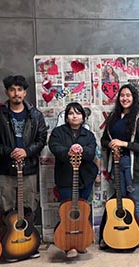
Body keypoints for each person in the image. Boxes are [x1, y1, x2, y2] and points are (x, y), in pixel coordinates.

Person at [0, 75, 47, 261]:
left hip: (28, 168)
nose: (16, 93)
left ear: (25, 92)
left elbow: (41, 139)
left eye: (20, 90)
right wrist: (10, 151)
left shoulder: (35, 114)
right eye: (12, 90)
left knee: (29, 205)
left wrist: (27, 151)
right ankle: (9, 245)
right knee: (6, 205)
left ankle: (29, 243)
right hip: (6, 168)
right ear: (7, 92)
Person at [48, 102, 98, 258]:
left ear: (83, 117)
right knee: (68, 210)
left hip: (86, 177)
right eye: (71, 113)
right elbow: (54, 147)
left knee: (83, 210)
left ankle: (82, 241)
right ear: (66, 117)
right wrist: (68, 150)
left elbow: (91, 152)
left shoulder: (88, 135)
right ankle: (69, 246)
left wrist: (81, 150)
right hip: (65, 177)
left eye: (78, 113)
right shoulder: (58, 132)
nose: (74, 116)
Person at [101, 83, 139, 223]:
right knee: (119, 201)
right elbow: (104, 140)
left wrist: (124, 144)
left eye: (128, 95)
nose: (125, 98)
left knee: (134, 202)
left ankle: (137, 235)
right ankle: (121, 236)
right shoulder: (113, 117)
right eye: (122, 95)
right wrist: (110, 144)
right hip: (116, 164)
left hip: (133, 166)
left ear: (134, 98)